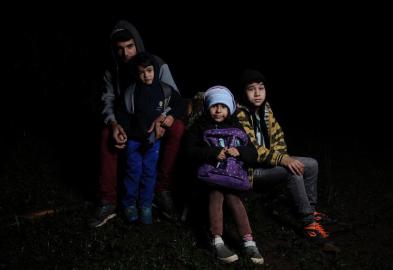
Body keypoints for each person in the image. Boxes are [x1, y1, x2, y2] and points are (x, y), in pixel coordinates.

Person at [88, 20, 185, 228]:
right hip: (128, 124)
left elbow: (174, 96)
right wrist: (114, 124)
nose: (126, 54)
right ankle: (108, 200)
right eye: (120, 49)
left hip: (155, 124)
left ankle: (161, 190)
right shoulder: (112, 69)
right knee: (106, 134)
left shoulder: (156, 64)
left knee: (177, 128)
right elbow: (108, 101)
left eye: (130, 46)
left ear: (138, 44)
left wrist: (163, 118)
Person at [236, 69, 333, 241]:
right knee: (291, 172)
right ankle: (308, 223)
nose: (257, 93)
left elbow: (278, 136)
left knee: (312, 164)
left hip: (270, 163)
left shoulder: (265, 109)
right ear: (244, 92)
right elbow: (253, 149)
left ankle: (310, 209)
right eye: (251, 89)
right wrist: (283, 160)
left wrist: (283, 157)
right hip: (251, 171)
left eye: (261, 88)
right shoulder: (239, 114)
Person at [186, 86, 264, 264]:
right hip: (209, 175)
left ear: (229, 107)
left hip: (232, 176)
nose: (219, 110)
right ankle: (217, 240)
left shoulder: (237, 126)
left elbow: (253, 153)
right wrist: (212, 153)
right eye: (214, 106)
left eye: (223, 106)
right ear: (208, 108)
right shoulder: (199, 127)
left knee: (234, 198)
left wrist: (240, 151)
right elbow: (189, 152)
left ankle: (249, 241)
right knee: (216, 193)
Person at [116, 52, 184, 224]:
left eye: (149, 70)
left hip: (154, 142)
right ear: (136, 73)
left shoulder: (164, 89)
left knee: (149, 172)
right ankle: (129, 204)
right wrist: (128, 132)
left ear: (154, 70)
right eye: (141, 72)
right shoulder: (130, 92)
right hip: (134, 141)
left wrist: (170, 117)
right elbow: (122, 114)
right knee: (133, 172)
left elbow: (179, 104)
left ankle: (146, 205)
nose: (146, 75)